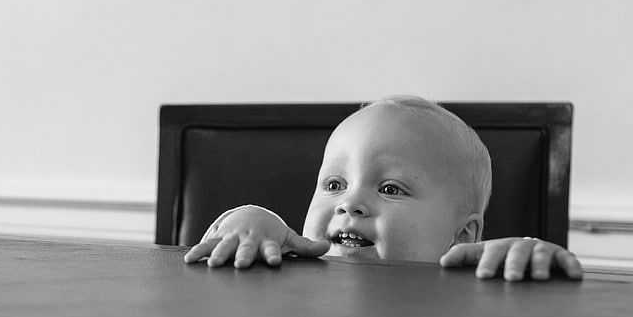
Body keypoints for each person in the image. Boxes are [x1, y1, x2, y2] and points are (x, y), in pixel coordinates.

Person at [182, 95, 583, 282]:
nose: (351, 203)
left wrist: (528, 258)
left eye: (390, 189)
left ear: (462, 236)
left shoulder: (471, 294)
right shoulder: (286, 268)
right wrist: (249, 219)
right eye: (335, 184)